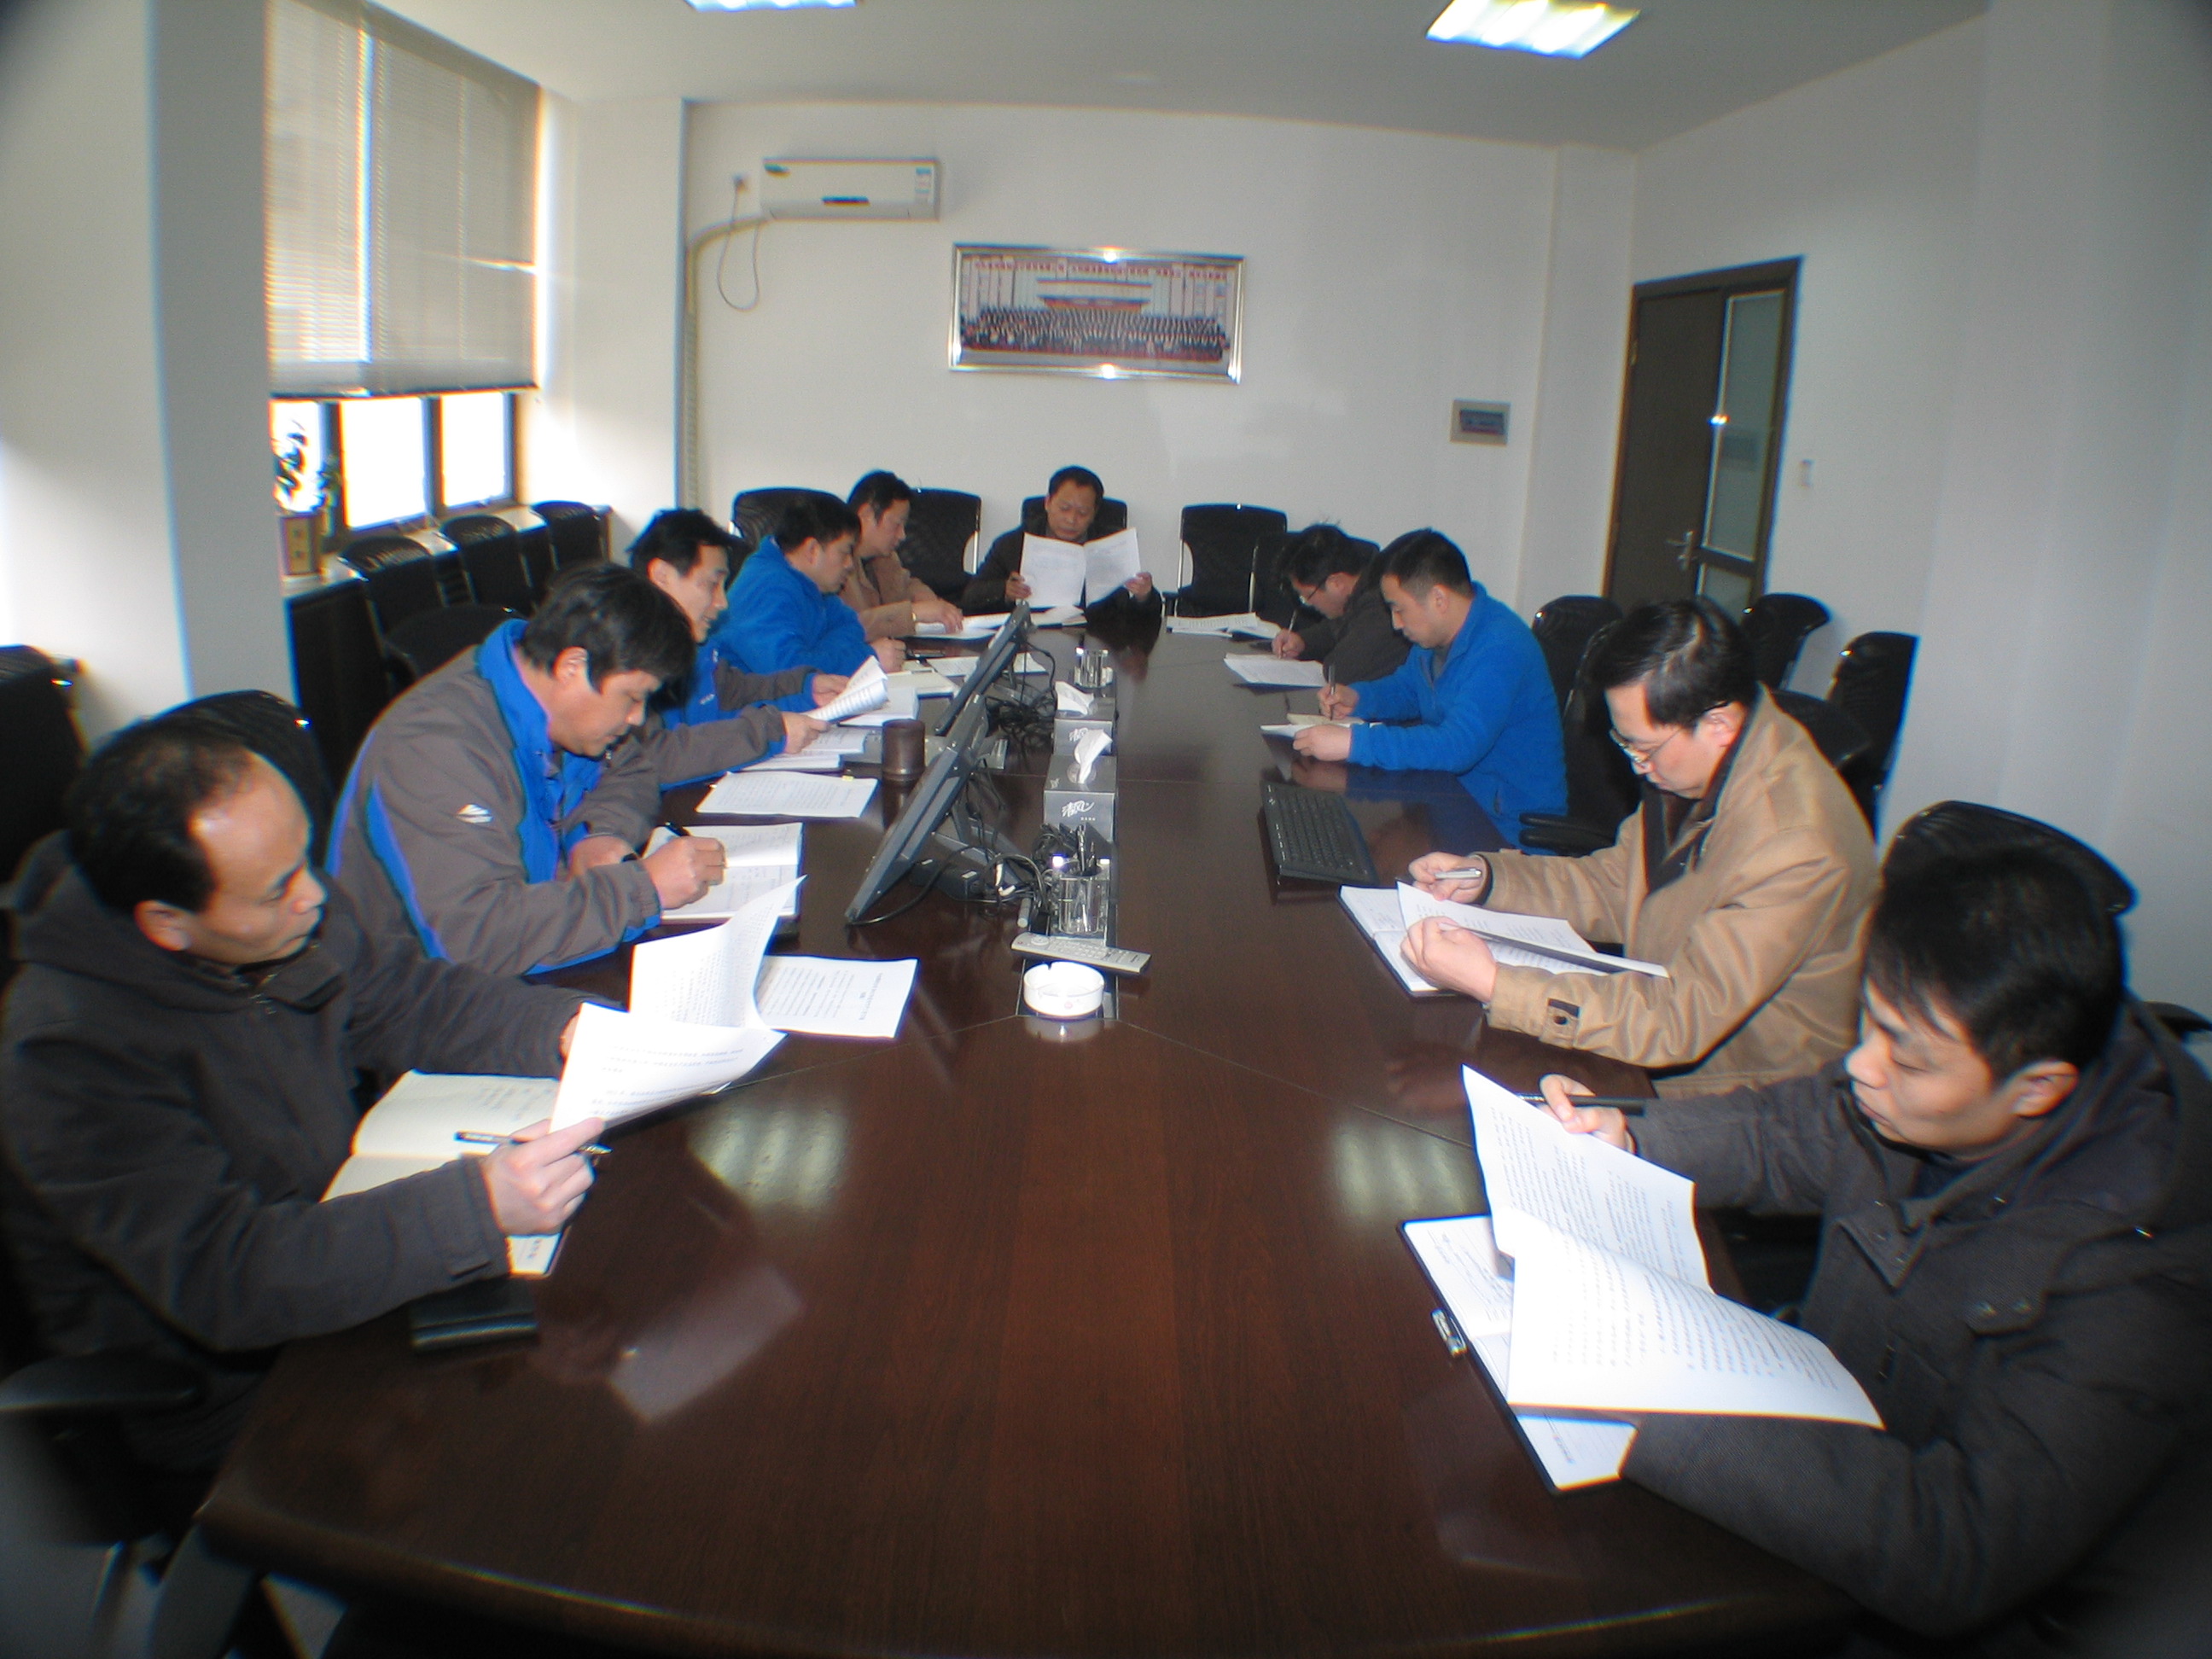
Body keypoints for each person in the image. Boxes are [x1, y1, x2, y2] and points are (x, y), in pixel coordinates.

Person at [1532, 845, 2212, 1652]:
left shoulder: (2140, 1287)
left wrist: (1652, 1400)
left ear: (2038, 1088)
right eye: (1871, 1021)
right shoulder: (1928, 1072)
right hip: (1820, 1436)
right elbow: (1791, 1130)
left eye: (1907, 1057)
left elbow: (1959, 1550)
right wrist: (1630, 1139)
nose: (1860, 1065)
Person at [0, 720, 602, 1475]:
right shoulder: (67, 1055)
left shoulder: (281, 910)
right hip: (239, 1387)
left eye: (304, 857)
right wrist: (477, 1209)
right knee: (541, 1457)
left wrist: (568, 1029)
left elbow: (409, 1000)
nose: (314, 896)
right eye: (276, 889)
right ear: (167, 924)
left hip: (350, 1255)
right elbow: (228, 1276)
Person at [1399, 597, 1876, 1093]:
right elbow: (1616, 885)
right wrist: (1491, 879)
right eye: (1624, 743)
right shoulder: (1696, 766)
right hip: (1653, 1025)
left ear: (1719, 725)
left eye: (1643, 748)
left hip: (1744, 1096)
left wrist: (1496, 984)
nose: (1636, 766)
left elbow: (1681, 1017)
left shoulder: (1796, 845)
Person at [330, 562, 726, 975]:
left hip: (524, 962)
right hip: (413, 996)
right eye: (632, 697)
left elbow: (632, 769)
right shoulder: (433, 746)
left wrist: (597, 834)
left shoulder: (559, 711)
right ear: (572, 667)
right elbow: (477, 940)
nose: (636, 718)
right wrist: (645, 889)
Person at [1291, 530, 1563, 846]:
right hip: (1450, 803)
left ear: (1439, 599)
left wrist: (1355, 743)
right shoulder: (1435, 638)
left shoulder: (1501, 647)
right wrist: (1359, 698)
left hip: (1506, 831)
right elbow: (1409, 690)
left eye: (1399, 609)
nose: (1396, 623)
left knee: (1367, 849)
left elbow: (1457, 746)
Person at [627, 507, 845, 783]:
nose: (722, 602)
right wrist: (769, 732)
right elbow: (655, 758)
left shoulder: (697, 649)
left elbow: (733, 692)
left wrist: (806, 688)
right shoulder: (627, 659)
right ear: (662, 576)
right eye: (712, 584)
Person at [711, 494, 899, 679]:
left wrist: (814, 656)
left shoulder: (813, 584)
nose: (850, 564)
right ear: (812, 550)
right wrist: (864, 659)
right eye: (844, 552)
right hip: (743, 698)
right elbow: (790, 675)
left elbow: (851, 626)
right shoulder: (768, 587)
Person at [961, 465, 1156, 614]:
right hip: (1033, 638)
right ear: (1048, 503)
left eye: (1083, 513)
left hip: (1096, 639)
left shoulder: (1111, 546)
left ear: (1095, 513)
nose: (1071, 519)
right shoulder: (1013, 544)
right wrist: (1005, 590)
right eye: (1064, 509)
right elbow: (970, 598)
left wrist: (1144, 596)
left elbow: (1142, 616)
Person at [1267, 523, 1408, 683]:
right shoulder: (1364, 589)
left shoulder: (1380, 606)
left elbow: (1340, 671)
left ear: (1336, 583)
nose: (1308, 603)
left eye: (1307, 596)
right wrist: (1303, 641)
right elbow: (1337, 626)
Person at [841, 472, 963, 641]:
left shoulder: (886, 557)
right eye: (896, 524)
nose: (902, 535)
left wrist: (924, 598)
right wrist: (913, 612)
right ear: (866, 515)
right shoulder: (835, 563)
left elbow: (906, 583)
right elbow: (847, 626)